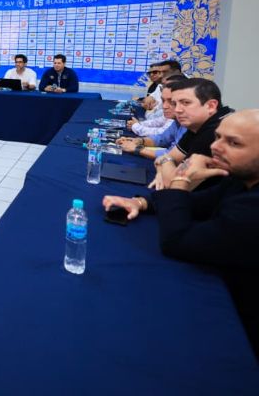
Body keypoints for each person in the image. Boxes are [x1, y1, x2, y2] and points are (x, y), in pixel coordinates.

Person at [102, 110, 259, 357]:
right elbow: (200, 203)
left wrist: (182, 179)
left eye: (234, 143)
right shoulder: (241, 177)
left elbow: (177, 242)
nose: (215, 147)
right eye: (218, 137)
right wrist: (141, 202)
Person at [151, 77, 233, 190]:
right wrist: (163, 167)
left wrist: (164, 163)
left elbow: (175, 185)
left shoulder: (216, 132)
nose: (177, 110)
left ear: (211, 106)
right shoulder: (198, 124)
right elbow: (170, 157)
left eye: (186, 103)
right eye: (175, 104)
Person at [118, 78, 187, 161]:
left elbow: (172, 156)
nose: (164, 106)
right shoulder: (177, 122)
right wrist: (139, 141)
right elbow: (162, 138)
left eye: (171, 102)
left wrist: (137, 149)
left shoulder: (192, 128)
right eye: (163, 101)